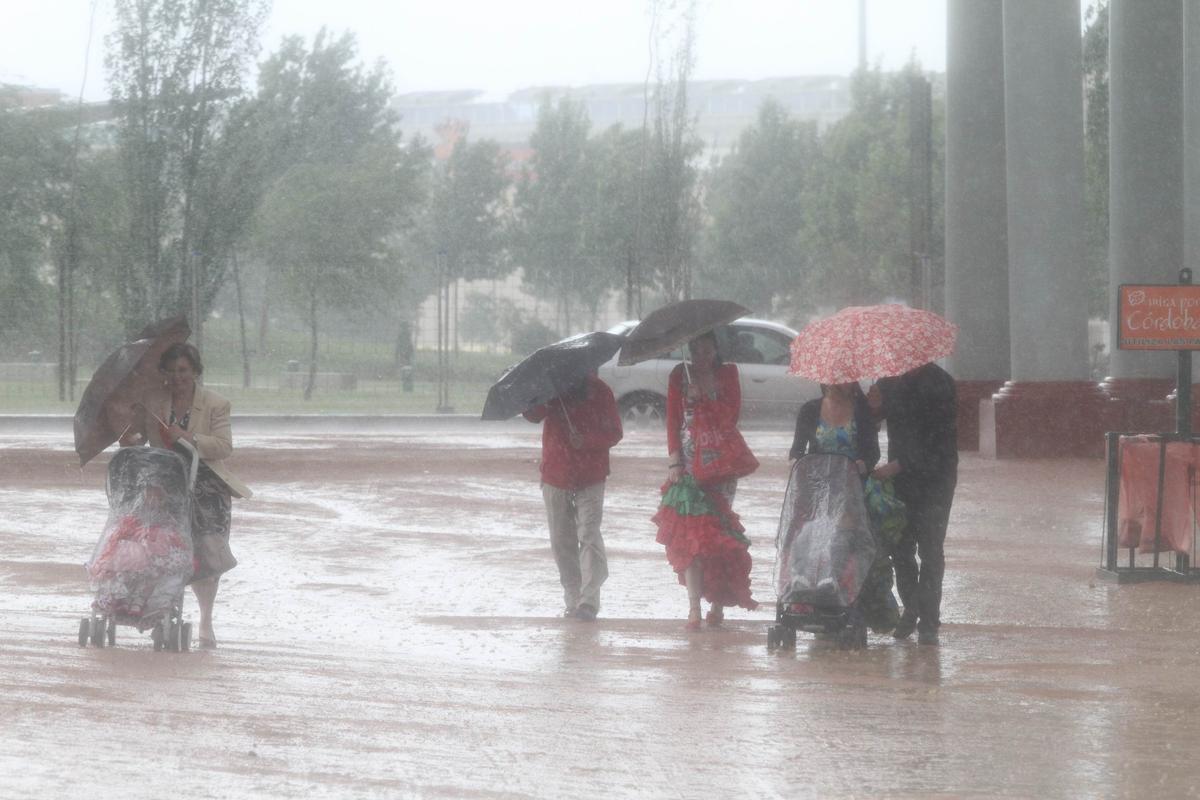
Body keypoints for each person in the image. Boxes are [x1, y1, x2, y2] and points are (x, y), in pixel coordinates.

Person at [120, 342, 249, 648]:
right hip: (163, 483)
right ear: (163, 372)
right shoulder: (151, 401)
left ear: (195, 372)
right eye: (172, 371)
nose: (177, 377)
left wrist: (189, 437)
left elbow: (224, 446)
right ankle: (161, 612)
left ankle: (206, 619)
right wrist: (129, 439)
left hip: (206, 484)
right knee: (160, 549)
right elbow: (135, 436)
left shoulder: (216, 404)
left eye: (184, 371)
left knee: (206, 550)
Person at [654, 331, 758, 630]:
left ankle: (718, 605)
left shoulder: (728, 373)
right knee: (692, 539)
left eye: (706, 346)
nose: (700, 352)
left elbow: (730, 417)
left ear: (715, 348)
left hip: (720, 465)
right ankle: (693, 609)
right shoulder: (679, 374)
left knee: (717, 539)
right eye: (695, 347)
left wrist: (705, 401)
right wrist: (674, 459)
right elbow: (673, 421)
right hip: (687, 466)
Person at [789, 382, 902, 632]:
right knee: (807, 538)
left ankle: (842, 592)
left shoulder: (862, 412)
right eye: (833, 376)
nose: (838, 382)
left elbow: (872, 452)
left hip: (852, 491)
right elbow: (797, 450)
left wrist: (861, 464)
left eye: (844, 377)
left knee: (845, 538)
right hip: (816, 492)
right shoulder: (809, 410)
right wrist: (797, 464)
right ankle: (807, 590)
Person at [869, 361, 958, 646]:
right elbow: (870, 421)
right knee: (901, 549)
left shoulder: (941, 383)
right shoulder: (888, 381)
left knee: (931, 549)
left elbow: (938, 439)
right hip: (901, 484)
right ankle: (912, 607)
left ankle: (929, 621)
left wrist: (898, 465)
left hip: (936, 480)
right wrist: (871, 406)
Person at [523, 372, 623, 621]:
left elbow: (614, 432)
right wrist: (531, 395)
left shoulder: (601, 391)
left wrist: (588, 441)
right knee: (562, 539)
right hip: (556, 475)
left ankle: (589, 601)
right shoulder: (551, 389)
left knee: (589, 534)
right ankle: (572, 595)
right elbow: (533, 415)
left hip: (592, 475)